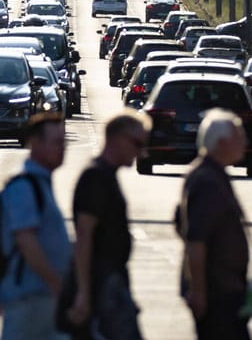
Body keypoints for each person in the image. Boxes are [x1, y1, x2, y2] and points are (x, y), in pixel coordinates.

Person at [63, 110, 151, 339]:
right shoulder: (95, 178)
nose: (141, 151)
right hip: (102, 279)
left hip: (112, 279)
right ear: (117, 140)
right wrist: (83, 292)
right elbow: (84, 236)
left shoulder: (106, 176)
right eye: (137, 143)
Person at [0, 112, 71, 339]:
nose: (63, 149)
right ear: (35, 144)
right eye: (56, 143)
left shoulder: (41, 184)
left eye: (64, 142)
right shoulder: (24, 187)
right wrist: (56, 284)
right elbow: (25, 241)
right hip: (31, 299)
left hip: (41, 298)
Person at [178, 109, 252, 340]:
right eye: (238, 136)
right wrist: (198, 290)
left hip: (226, 287)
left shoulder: (211, 174)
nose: (245, 141)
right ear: (221, 142)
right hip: (217, 290)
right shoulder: (207, 180)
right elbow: (196, 238)